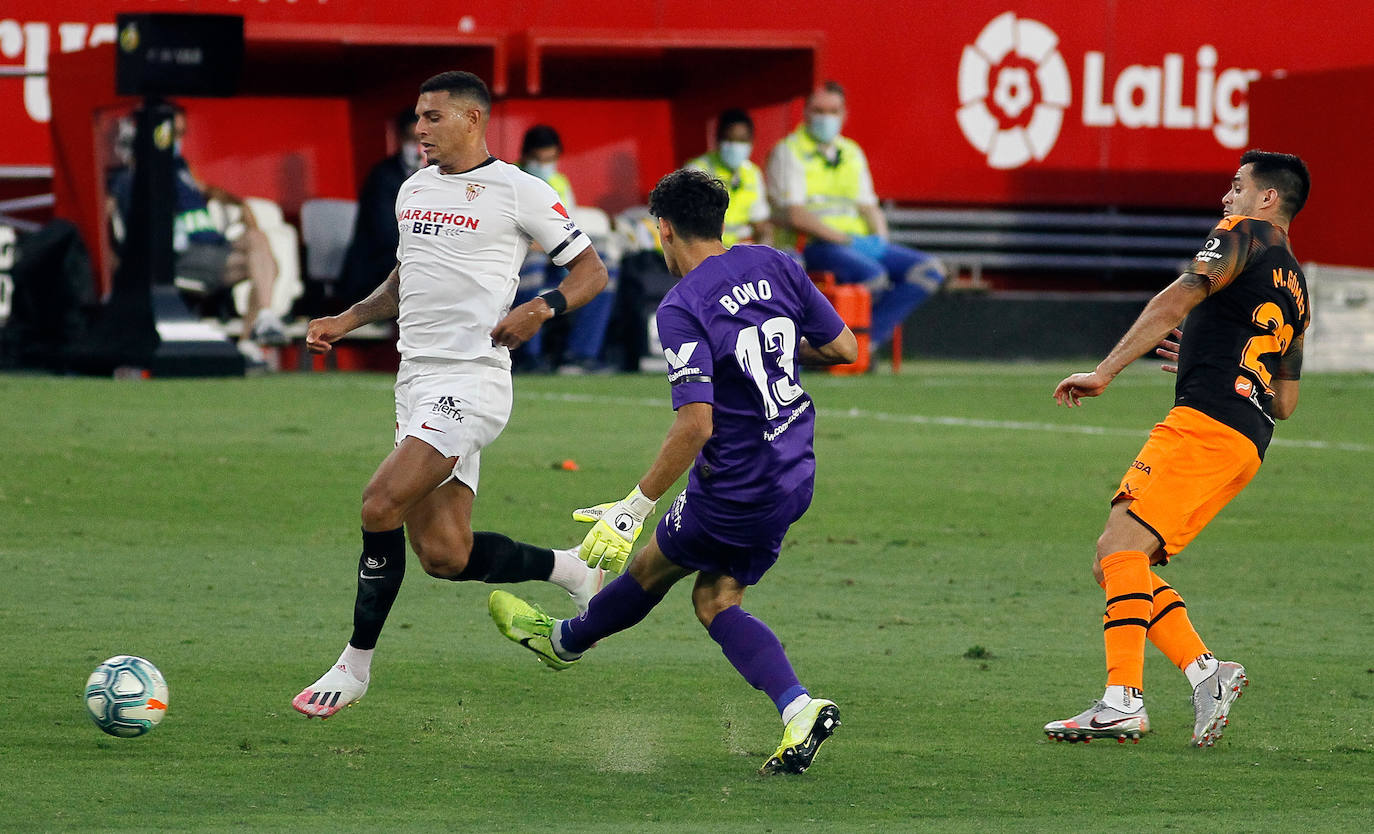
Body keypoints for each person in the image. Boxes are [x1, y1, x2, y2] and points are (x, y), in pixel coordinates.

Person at [487, 168, 859, 774]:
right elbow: (845, 349)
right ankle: (797, 710)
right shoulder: (777, 262)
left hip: (733, 483)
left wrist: (634, 506)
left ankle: (561, 642)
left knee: (654, 567)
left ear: (663, 229)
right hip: (794, 468)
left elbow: (695, 425)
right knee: (716, 595)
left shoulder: (683, 305)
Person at [291, 71, 611, 719]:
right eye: (417, 117)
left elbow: (591, 271)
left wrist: (541, 308)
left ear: (473, 119)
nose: (419, 129)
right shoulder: (413, 190)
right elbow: (406, 276)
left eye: (432, 117)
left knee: (380, 502)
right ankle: (575, 571)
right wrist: (347, 320)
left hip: (473, 382)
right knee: (444, 554)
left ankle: (355, 666)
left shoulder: (518, 190)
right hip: (416, 383)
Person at [1043, 150, 1312, 747]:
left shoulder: (1243, 235)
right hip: (1246, 441)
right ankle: (1204, 673)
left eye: (1237, 186)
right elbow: (1286, 401)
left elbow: (1178, 296)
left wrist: (1106, 370)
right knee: (1114, 559)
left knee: (1119, 549)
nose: (1227, 198)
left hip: (1204, 425)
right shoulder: (1296, 283)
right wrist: (1209, 353)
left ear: (1267, 199)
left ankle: (1122, 702)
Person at [767, 80, 944, 350]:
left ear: (844, 114)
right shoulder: (790, 151)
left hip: (857, 244)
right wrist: (846, 240)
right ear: (805, 113)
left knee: (929, 271)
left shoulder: (850, 152)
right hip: (816, 244)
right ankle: (830, 345)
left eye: (833, 111)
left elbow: (868, 206)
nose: (825, 117)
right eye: (819, 110)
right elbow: (795, 215)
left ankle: (865, 342)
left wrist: (880, 240)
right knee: (872, 276)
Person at [109, 103, 286, 363]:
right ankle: (252, 337)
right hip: (184, 255)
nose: (178, 141)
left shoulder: (180, 167)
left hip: (214, 246)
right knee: (265, 264)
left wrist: (239, 204)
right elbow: (109, 213)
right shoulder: (135, 175)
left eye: (182, 134)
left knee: (259, 244)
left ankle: (265, 320)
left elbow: (205, 189)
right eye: (174, 133)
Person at [513, 124, 616, 373]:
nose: (545, 165)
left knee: (603, 267)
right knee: (533, 265)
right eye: (538, 159)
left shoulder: (560, 182)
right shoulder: (510, 179)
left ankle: (580, 355)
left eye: (550, 159)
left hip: (552, 257)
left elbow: (567, 229)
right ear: (526, 156)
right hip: (520, 259)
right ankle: (529, 356)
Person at [334, 110, 424, 311]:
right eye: (412, 139)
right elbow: (385, 234)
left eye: (423, 139)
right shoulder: (382, 176)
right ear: (400, 138)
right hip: (376, 269)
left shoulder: (436, 176)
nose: (418, 146)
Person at [685, 108, 773, 248]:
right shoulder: (697, 172)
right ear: (718, 140)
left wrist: (763, 252)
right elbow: (690, 228)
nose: (735, 147)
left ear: (751, 142)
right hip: (707, 253)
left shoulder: (752, 174)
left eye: (742, 140)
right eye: (730, 139)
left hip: (741, 251)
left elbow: (761, 225)